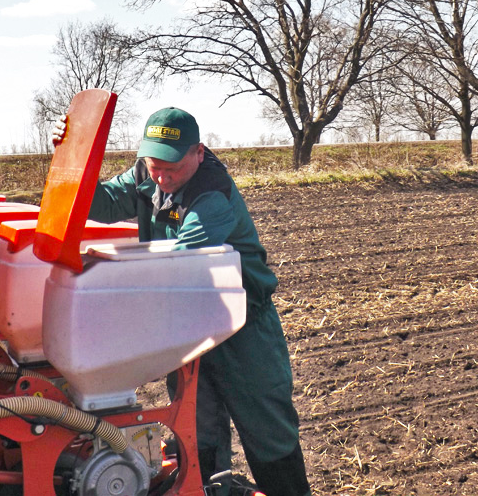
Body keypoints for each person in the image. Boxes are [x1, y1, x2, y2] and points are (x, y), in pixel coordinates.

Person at [53, 107, 310, 496]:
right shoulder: (147, 176)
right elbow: (101, 203)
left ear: (198, 153)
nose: (162, 176)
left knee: (267, 429)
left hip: (241, 325)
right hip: (187, 325)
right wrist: (67, 156)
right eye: (154, 165)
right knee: (196, 427)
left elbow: (177, 262)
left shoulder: (212, 194)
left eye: (171, 167)